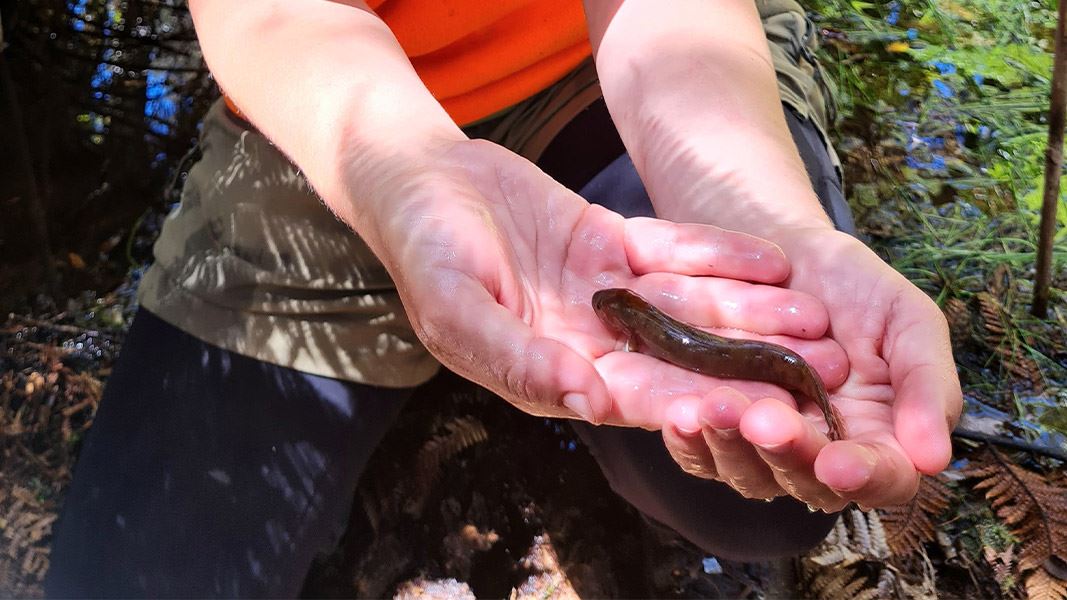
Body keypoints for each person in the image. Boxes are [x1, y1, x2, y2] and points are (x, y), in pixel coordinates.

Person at [45, 0, 963, 596]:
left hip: (607, 67)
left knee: (757, 485)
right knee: (132, 574)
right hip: (328, 105)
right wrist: (399, 173)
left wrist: (760, 222)